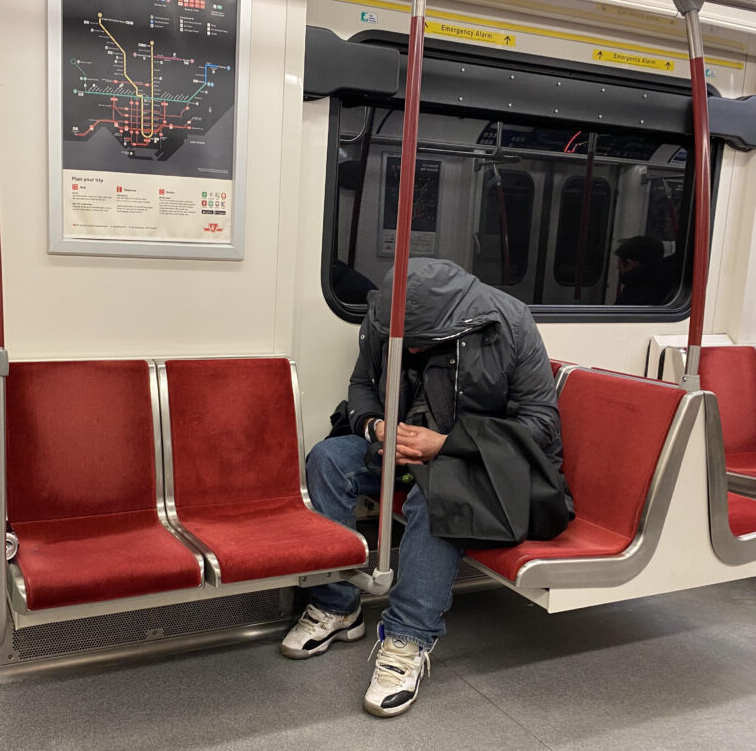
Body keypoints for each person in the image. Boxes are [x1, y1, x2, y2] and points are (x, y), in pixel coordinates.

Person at [280, 258, 563, 718]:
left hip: (481, 462)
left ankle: (408, 638)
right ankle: (337, 606)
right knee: (328, 459)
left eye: (421, 345)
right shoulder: (382, 318)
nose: (409, 353)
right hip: (405, 445)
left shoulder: (510, 324)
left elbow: (541, 423)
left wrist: (447, 445)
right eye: (402, 344)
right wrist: (375, 427)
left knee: (434, 493)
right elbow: (361, 385)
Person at [614, 235, 675, 305]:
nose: (620, 272)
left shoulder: (633, 295)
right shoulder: (667, 285)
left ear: (631, 263)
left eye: (620, 268)